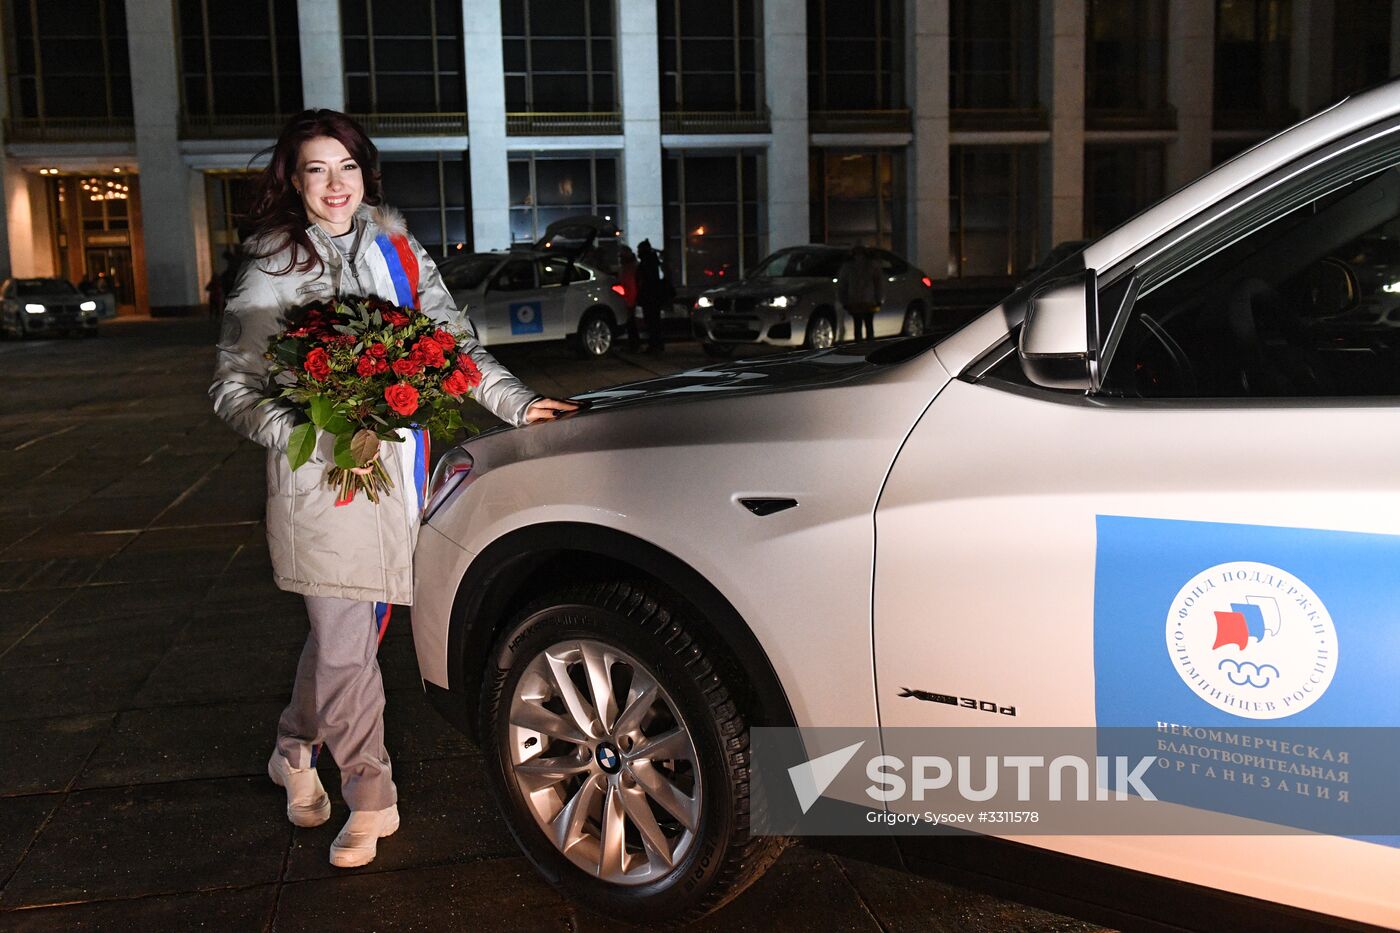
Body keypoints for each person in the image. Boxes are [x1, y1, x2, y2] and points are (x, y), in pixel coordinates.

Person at [209, 110, 577, 870]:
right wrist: (306, 428)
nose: (334, 185)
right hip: (322, 480)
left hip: (400, 475)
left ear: (363, 173)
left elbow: (448, 342)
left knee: (344, 638)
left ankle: (292, 746)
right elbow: (232, 387)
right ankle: (372, 796)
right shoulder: (270, 265)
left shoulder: (399, 250)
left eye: (345, 166)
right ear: (294, 181)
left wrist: (517, 401)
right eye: (315, 169)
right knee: (347, 641)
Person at [838, 244, 884, 342]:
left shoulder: (848, 266)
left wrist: (844, 301)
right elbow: (878, 283)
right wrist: (879, 299)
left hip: (854, 301)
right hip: (869, 300)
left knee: (857, 326)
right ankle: (870, 347)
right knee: (869, 326)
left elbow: (842, 285)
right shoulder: (872, 264)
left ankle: (859, 347)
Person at [635, 239, 672, 354]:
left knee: (652, 321)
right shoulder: (652, 260)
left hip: (650, 296)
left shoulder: (647, 262)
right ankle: (657, 344)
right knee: (654, 321)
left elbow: (645, 279)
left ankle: (655, 344)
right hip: (653, 296)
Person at [618, 244, 640, 351]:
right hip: (628, 297)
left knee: (631, 322)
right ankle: (633, 344)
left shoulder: (630, 267)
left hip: (630, 297)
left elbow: (630, 283)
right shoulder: (631, 266)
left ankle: (634, 344)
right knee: (630, 322)